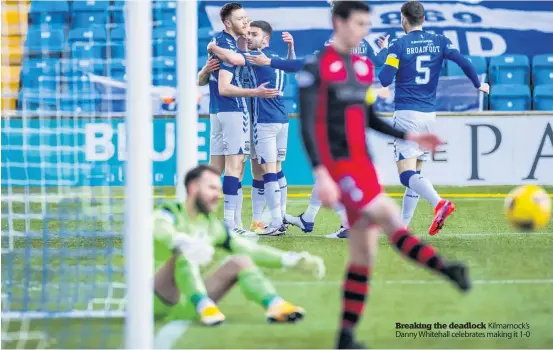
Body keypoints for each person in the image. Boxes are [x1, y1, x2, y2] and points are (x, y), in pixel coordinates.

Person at [296, 2, 471, 348]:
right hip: (338, 165)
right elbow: (308, 125)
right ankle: (447, 269)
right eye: (359, 23)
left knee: (364, 254)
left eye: (367, 24)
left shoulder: (362, 66)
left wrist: (410, 136)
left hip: (363, 164)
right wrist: (321, 173)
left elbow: (370, 117)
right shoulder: (316, 67)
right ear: (339, 22)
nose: (365, 30)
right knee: (389, 216)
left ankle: (345, 336)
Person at [153, 164, 325, 326]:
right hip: (152, 301)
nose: (217, 196)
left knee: (240, 261)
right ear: (192, 188)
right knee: (185, 252)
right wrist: (183, 241)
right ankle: (203, 305)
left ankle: (275, 305)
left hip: (187, 302)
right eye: (211, 188)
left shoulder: (211, 225)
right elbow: (160, 228)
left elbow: (248, 248)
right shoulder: (170, 212)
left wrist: (291, 259)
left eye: (218, 190)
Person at [378, 1, 490, 233]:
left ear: (403, 19)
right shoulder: (440, 41)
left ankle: (439, 202)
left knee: (405, 174)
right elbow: (464, 62)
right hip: (429, 115)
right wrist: (479, 84)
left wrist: (387, 52)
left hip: (407, 114)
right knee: (416, 173)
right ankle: (403, 227)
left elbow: (385, 79)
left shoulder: (399, 45)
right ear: (424, 19)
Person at [209, 20, 296, 236]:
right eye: (248, 32)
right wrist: (291, 49)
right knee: (272, 169)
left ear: (265, 39)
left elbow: (232, 58)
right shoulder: (277, 58)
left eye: (253, 33)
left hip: (263, 122)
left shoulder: (259, 58)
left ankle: (274, 220)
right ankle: (273, 217)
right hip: (281, 120)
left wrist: (212, 47)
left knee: (266, 171)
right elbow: (291, 66)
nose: (248, 36)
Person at [198, 3, 280, 231]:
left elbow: (202, 81)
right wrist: (255, 92)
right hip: (234, 109)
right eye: (241, 19)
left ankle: (211, 219)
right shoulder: (225, 46)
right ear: (228, 23)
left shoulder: (219, 43)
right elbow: (225, 85)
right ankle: (229, 223)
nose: (246, 22)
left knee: (216, 168)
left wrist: (204, 71)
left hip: (216, 110)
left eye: (246, 18)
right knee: (236, 167)